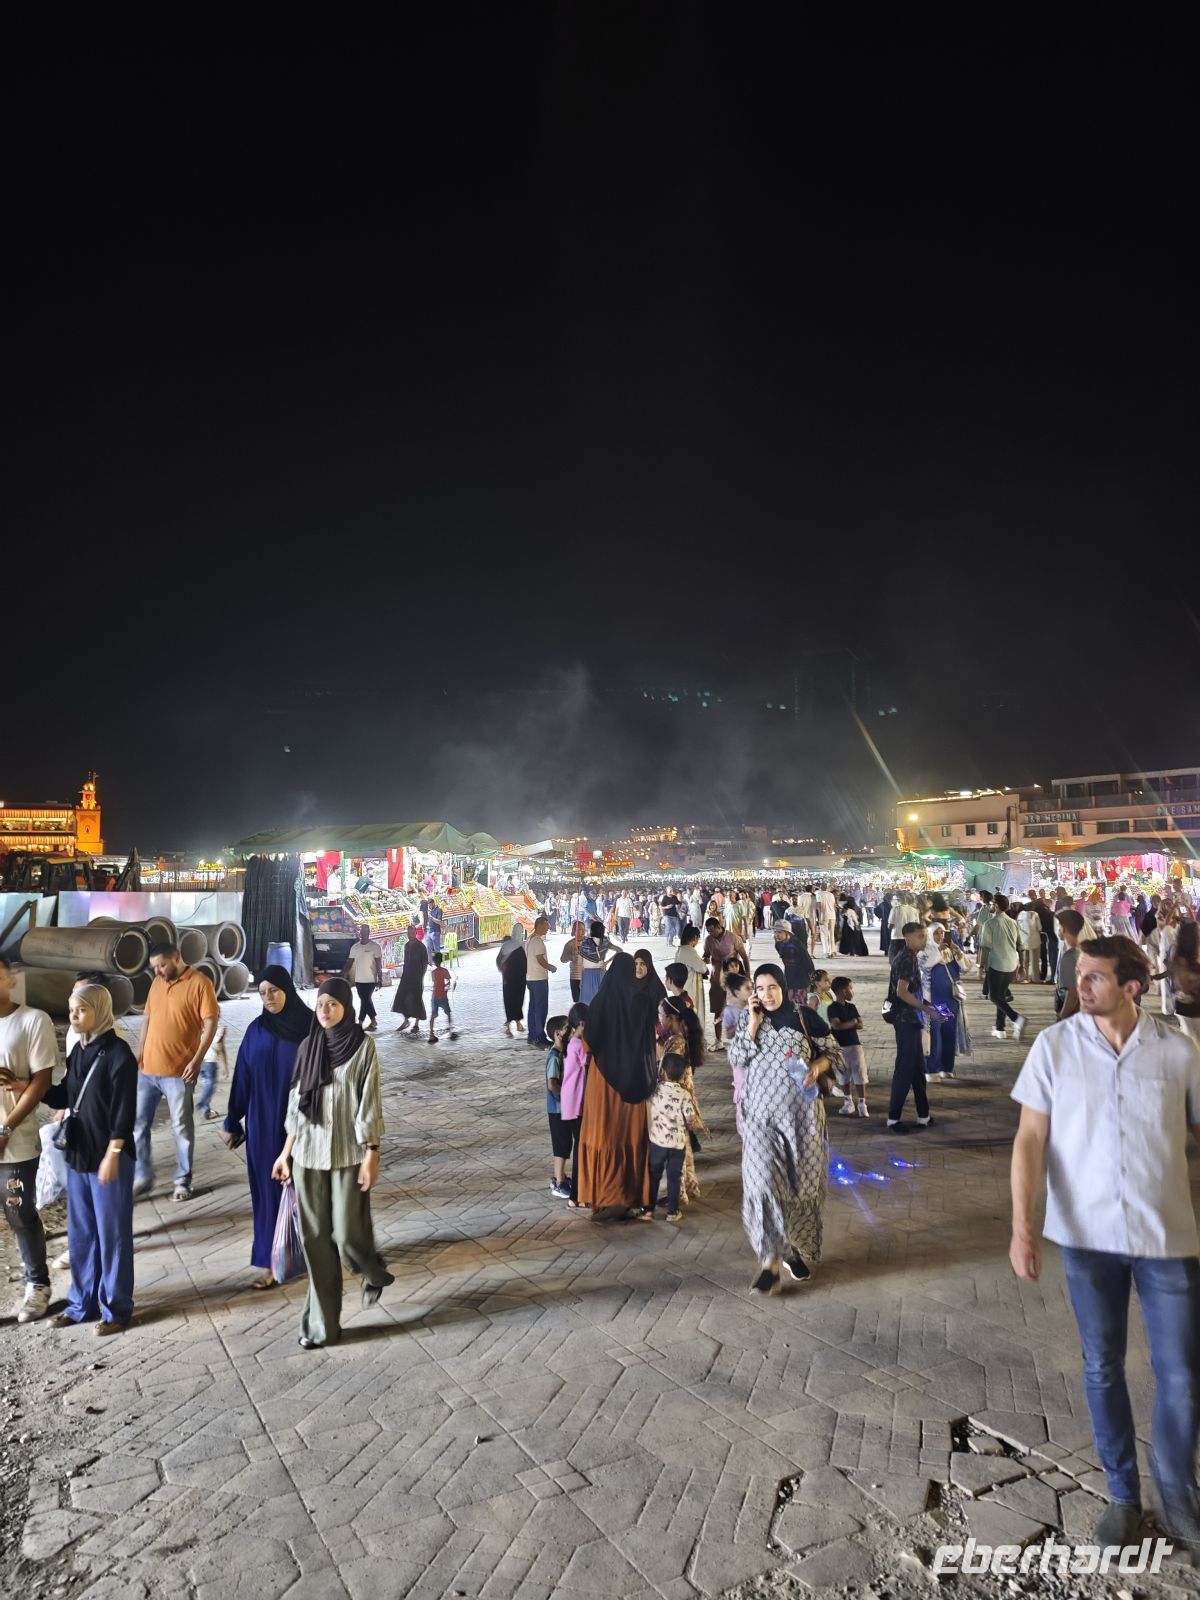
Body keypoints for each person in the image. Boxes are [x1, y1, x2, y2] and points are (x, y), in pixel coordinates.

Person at [1009, 936, 1200, 1554]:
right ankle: (1122, 1495)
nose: (1080, 983)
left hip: (1168, 1235)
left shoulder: (1177, 1052)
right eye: (1081, 974)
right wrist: (1022, 1226)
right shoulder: (1055, 1048)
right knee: (1102, 1366)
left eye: (1094, 976)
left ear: (1132, 987)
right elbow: (1030, 1141)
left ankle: (1179, 1499)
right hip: (1087, 1238)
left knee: (1183, 1374)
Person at [272, 978, 392, 1349]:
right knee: (316, 1241)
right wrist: (285, 1153)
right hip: (307, 1155)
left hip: (348, 1155)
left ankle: (373, 1272)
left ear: (346, 1007)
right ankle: (320, 1326)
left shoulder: (362, 1047)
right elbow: (297, 1104)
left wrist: (372, 1152)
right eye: (320, 1003)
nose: (325, 1010)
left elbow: (368, 1104)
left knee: (347, 1233)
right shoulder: (309, 1047)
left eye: (332, 1004)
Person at [729, 964, 838, 1293]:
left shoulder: (804, 1017)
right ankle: (770, 1264)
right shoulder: (752, 1022)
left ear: (784, 987)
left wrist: (817, 1068)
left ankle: (790, 1250)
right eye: (759, 989)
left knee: (794, 1191)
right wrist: (752, 1023)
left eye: (772, 987)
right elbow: (736, 1057)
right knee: (762, 1185)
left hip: (801, 1122)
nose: (766, 994)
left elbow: (832, 1050)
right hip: (761, 1121)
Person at [45, 985, 137, 1334]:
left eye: (81, 1010)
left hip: (109, 1159)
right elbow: (64, 1095)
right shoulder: (79, 1053)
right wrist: (28, 1085)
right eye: (71, 1010)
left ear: (100, 1010)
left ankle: (116, 1309)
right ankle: (82, 1304)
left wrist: (113, 1154)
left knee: (112, 1235)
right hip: (80, 1155)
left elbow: (124, 1114)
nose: (73, 1016)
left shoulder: (119, 1055)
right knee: (81, 1234)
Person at [222, 965, 312, 1288]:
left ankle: (311, 1252)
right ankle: (273, 1262)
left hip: (301, 1126)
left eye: (273, 990)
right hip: (261, 1126)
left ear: (286, 988)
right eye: (262, 992)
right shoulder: (255, 1031)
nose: (268, 997)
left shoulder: (309, 1027)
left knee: (305, 1192)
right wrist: (233, 1121)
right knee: (266, 1195)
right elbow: (241, 1080)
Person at [134, 941, 220, 1203]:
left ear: (177, 958)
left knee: (181, 1127)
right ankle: (142, 1175)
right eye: (154, 967)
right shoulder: (157, 983)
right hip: (147, 1071)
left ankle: (183, 1180)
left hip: (179, 1073)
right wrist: (139, 1054)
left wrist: (196, 1061)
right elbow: (147, 1019)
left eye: (161, 965)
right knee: (137, 1126)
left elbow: (210, 1023)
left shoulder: (200, 983)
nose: (158, 971)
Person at [0, 956, 60, 1323]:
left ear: (9, 980)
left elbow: (41, 1081)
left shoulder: (31, 1020)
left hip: (15, 1142)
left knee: (20, 1213)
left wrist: (6, 1127)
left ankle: (38, 1284)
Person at [575, 952, 656, 1218]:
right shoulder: (641, 1001)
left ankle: (602, 1196)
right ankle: (631, 1195)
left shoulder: (599, 1003)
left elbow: (588, 1044)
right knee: (629, 1137)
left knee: (603, 1134)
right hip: (633, 1081)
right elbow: (648, 1043)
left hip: (604, 1082)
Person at [886, 924, 941, 1133]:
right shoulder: (907, 958)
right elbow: (902, 991)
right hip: (906, 1020)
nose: (924, 939)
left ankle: (923, 1115)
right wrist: (926, 1009)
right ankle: (893, 1119)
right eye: (920, 936)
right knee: (905, 1069)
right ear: (908, 939)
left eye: (925, 935)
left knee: (918, 1070)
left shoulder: (909, 956)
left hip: (911, 1019)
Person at [639, 1054, 695, 1224]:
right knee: (674, 1177)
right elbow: (690, 1118)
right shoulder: (684, 1094)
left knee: (653, 1175)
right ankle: (672, 1212)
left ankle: (648, 1210)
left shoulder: (655, 1090)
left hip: (657, 1142)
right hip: (677, 1144)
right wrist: (686, 1126)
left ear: (662, 1071)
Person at [983, 894, 1027, 1042]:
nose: (991, 906)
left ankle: (1017, 1018)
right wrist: (1022, 966)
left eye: (992, 904)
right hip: (1011, 964)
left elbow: (985, 947)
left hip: (996, 964)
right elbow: (1020, 946)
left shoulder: (990, 923)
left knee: (994, 996)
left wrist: (981, 966)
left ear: (996, 906)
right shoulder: (1013, 923)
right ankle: (1000, 1028)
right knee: (1000, 997)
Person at [559, 1002, 589, 1206]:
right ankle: (576, 1196)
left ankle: (577, 1195)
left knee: (579, 1148)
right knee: (580, 1150)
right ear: (582, 1024)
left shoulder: (570, 1043)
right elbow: (591, 1062)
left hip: (570, 1103)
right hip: (577, 1104)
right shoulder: (578, 1045)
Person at [702, 917, 748, 1048]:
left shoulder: (733, 938)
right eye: (708, 931)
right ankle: (718, 1040)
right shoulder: (708, 940)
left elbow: (744, 957)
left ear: (719, 927)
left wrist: (747, 974)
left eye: (712, 931)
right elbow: (706, 954)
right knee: (717, 1009)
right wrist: (704, 958)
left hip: (732, 979)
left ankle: (739, 1039)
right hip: (716, 978)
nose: (711, 934)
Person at [828, 976, 869, 1117]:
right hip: (840, 1046)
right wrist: (852, 1022)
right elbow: (836, 1026)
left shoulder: (851, 1007)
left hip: (855, 1044)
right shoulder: (832, 1008)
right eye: (851, 988)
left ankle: (862, 1104)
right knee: (844, 1074)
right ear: (843, 991)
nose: (853, 991)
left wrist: (849, 1024)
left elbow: (861, 1024)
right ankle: (848, 1102)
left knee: (860, 1073)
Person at [544, 1015, 573, 1199]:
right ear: (557, 1033)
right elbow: (551, 1083)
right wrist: (566, 1093)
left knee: (565, 1143)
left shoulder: (562, 1053)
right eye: (566, 1028)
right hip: (557, 1108)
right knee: (561, 1146)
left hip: (562, 1108)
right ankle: (558, 1181)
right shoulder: (554, 1056)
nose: (569, 1031)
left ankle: (562, 1176)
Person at [524, 916, 557, 1047]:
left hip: (530, 978)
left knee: (533, 1008)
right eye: (547, 925)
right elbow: (540, 960)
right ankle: (539, 1037)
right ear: (541, 925)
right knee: (540, 1009)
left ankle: (532, 1035)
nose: (548, 928)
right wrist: (551, 967)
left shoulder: (530, 938)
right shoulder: (537, 941)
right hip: (539, 979)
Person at [392, 924, 430, 1036]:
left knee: (417, 998)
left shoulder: (421, 946)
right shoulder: (407, 946)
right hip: (406, 975)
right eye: (408, 933)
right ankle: (406, 1020)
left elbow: (425, 963)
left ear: (415, 933)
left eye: (412, 933)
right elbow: (405, 961)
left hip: (417, 976)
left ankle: (416, 1024)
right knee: (401, 996)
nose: (410, 935)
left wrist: (421, 975)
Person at [346, 924, 383, 1029]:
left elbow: (379, 963)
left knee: (365, 999)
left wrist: (380, 978)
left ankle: (360, 1023)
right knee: (365, 1000)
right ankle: (373, 1021)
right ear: (360, 932)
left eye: (366, 931)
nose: (364, 933)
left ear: (369, 932)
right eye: (362, 931)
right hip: (359, 979)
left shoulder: (375, 947)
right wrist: (344, 974)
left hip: (371, 979)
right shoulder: (355, 947)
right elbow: (349, 962)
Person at [1053, 909, 1086, 1019]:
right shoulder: (1082, 950)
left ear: (1064, 929)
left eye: (1058, 926)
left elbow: (1072, 993)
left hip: (1071, 1011)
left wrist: (1062, 1015)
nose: (1057, 930)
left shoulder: (1069, 956)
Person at [195, 1018, 228, 1121]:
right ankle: (202, 1102)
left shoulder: (199, 1028)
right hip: (210, 1062)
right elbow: (221, 1050)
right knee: (211, 1085)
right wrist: (225, 1067)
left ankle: (206, 1111)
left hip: (199, 1062)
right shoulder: (219, 1030)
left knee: (206, 1085)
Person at [675, 925, 708, 1026]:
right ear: (694, 938)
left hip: (683, 987)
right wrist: (704, 962)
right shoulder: (689, 951)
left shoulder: (681, 950)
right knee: (693, 1015)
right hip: (690, 989)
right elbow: (702, 968)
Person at [579, 919, 614, 1005]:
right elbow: (619, 950)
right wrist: (606, 962)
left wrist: (581, 979)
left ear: (591, 930)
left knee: (587, 1002)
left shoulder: (584, 943)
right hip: (602, 973)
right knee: (602, 1001)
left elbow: (581, 963)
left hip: (588, 974)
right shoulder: (605, 942)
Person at [428, 951, 457, 1041]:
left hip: (435, 995)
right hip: (443, 996)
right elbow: (448, 982)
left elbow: (434, 982)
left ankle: (431, 1035)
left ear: (434, 961)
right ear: (441, 960)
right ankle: (451, 1032)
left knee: (433, 1015)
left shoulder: (433, 973)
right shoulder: (445, 971)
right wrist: (446, 987)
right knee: (448, 1013)